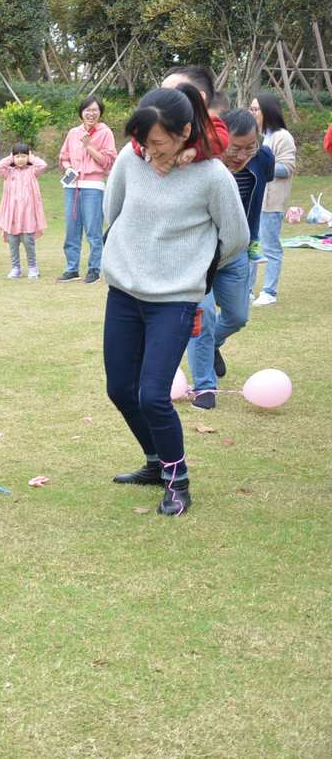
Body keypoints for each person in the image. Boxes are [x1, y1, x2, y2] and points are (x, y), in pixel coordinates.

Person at [101, 87, 249, 516]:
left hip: (175, 301)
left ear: (185, 132)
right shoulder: (131, 159)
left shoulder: (212, 176)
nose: (150, 151)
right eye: (143, 142)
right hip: (124, 293)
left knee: (153, 395)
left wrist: (193, 269)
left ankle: (177, 479)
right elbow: (113, 210)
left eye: (158, 142)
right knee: (120, 388)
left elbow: (236, 237)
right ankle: (156, 461)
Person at [186, 109, 273, 410]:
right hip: (199, 257)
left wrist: (253, 241)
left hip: (235, 253)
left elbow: (256, 201)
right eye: (235, 148)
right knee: (204, 317)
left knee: (237, 316)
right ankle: (204, 387)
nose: (242, 155)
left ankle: (210, 347)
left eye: (250, 147)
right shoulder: (200, 166)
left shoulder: (263, 160)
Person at [56, 96, 116, 283]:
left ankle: (94, 269)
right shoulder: (73, 132)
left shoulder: (105, 133)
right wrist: (68, 168)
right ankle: (72, 268)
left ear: (100, 113)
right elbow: (64, 156)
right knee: (72, 228)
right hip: (72, 185)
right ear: (81, 112)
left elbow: (107, 162)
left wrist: (88, 146)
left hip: (93, 185)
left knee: (93, 229)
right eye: (87, 110)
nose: (91, 114)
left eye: (95, 110)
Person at [251, 93, 296, 306]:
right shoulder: (262, 136)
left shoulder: (282, 136)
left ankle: (269, 291)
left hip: (272, 202)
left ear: (267, 111)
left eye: (255, 109)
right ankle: (248, 290)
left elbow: (287, 168)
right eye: (251, 109)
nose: (252, 113)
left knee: (270, 248)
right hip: (256, 200)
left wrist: (260, 164)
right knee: (252, 246)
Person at [0, 143, 48, 279]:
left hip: (28, 213)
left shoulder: (32, 171)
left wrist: (31, 157)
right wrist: (10, 158)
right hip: (12, 213)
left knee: (29, 241)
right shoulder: (8, 172)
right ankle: (16, 268)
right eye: (17, 156)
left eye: (23, 156)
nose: (20, 159)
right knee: (13, 241)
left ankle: (33, 267)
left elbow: (43, 165)